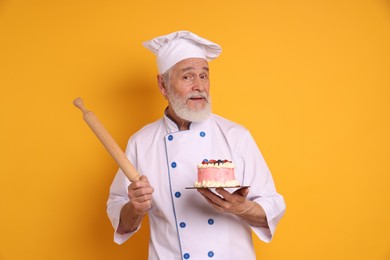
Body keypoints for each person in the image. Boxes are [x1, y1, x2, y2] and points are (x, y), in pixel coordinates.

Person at [107, 30, 286, 260]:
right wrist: (135, 208)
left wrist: (240, 207)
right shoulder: (141, 143)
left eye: (204, 75)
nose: (199, 86)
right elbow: (119, 217)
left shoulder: (235, 136)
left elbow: (273, 207)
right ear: (163, 85)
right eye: (187, 76)